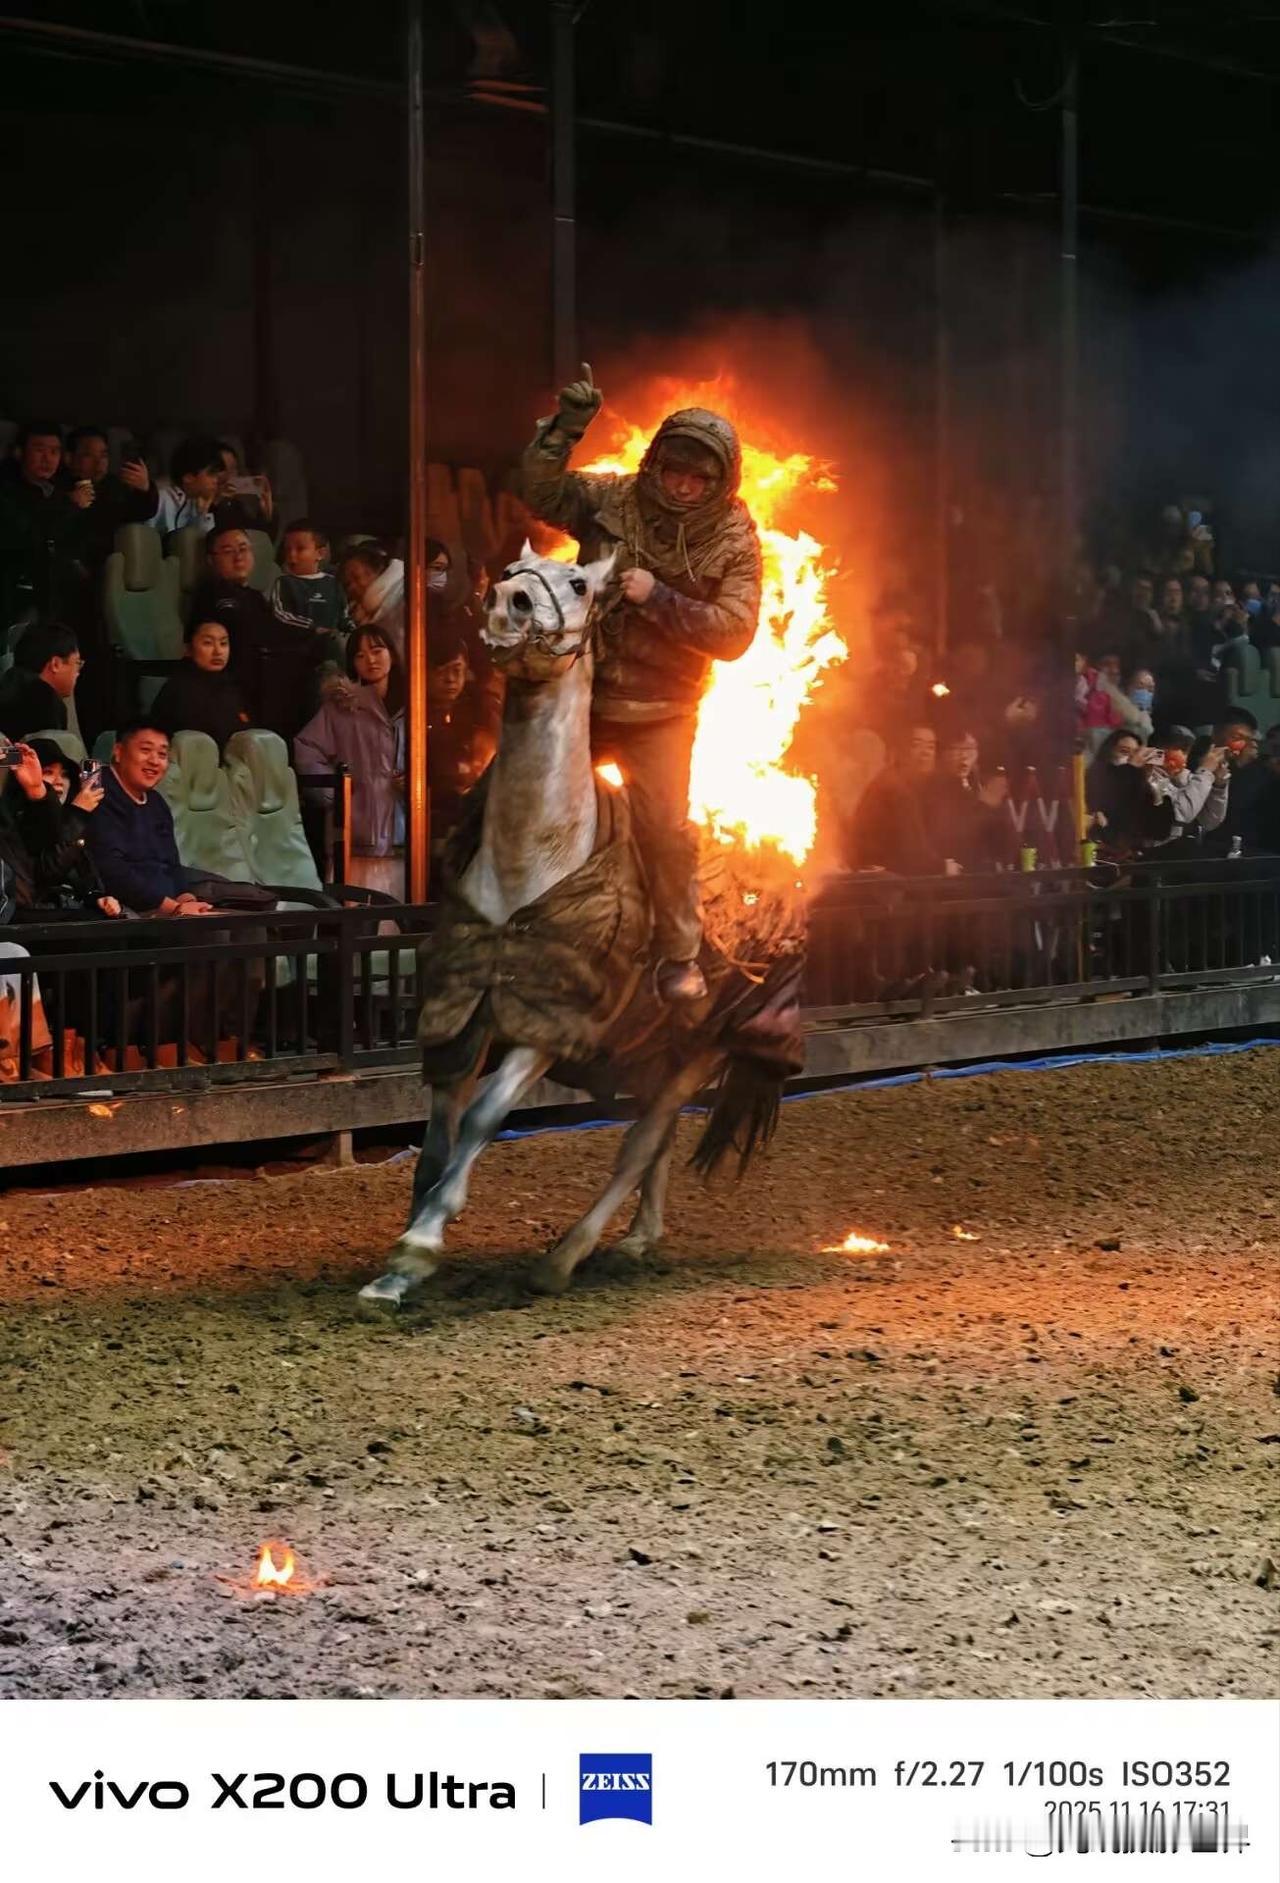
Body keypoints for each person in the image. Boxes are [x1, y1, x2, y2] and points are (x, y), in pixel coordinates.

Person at [522, 364, 762, 1000]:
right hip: (582, 691)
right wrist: (566, 428)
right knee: (507, 793)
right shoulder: (613, 498)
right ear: (654, 463)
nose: (681, 487)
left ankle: (678, 953)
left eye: (696, 477)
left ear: (720, 480)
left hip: (662, 710)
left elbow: (735, 633)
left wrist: (660, 600)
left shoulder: (734, 538)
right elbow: (540, 493)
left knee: (665, 830)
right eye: (672, 470)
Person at [293, 625, 405, 895]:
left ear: (392, 654)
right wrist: (340, 793)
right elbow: (306, 747)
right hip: (356, 835)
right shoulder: (341, 706)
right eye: (360, 655)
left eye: (377, 651)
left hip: (406, 833)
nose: (371, 660)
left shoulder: (414, 704)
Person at [190, 525, 328, 740]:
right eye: (228, 551)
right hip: (242, 685)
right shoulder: (212, 595)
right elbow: (249, 631)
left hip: (269, 679)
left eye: (244, 549)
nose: (238, 557)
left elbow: (273, 628)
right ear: (211, 560)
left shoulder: (254, 596)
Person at [3, 739, 121, 916]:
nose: (59, 781)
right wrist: (78, 814)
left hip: (70, 911)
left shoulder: (72, 816)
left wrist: (98, 898)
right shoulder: (14, 819)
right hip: (34, 918)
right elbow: (47, 872)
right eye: (48, 772)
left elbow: (84, 878)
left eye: (65, 774)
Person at [0, 421, 90, 632]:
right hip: (16, 593)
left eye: (54, 451)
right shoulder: (7, 493)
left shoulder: (60, 490)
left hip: (57, 595)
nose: (47, 459)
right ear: (19, 452)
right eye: (39, 450)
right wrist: (68, 506)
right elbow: (27, 534)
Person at [848, 723, 954, 875]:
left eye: (931, 747)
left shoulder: (899, 783)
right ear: (900, 751)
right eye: (916, 745)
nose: (925, 753)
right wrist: (943, 867)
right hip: (882, 884)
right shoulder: (896, 788)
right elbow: (913, 853)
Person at [151, 617, 253, 750]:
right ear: (188, 649)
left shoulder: (233, 686)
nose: (218, 651)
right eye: (208, 643)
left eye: (223, 643)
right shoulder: (178, 690)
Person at [270, 519, 351, 647]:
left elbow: (344, 616)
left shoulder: (333, 583)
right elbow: (281, 615)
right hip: (298, 649)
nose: (292, 555)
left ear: (320, 553)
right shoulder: (284, 583)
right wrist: (314, 628)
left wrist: (352, 631)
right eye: (287, 549)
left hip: (333, 646)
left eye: (300, 549)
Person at [1148, 725, 1229, 848]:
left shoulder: (1190, 779)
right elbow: (1182, 814)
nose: (1180, 754)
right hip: (1150, 853)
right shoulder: (1146, 778)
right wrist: (1205, 771)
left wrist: (1219, 785)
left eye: (1185, 750)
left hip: (1179, 852)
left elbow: (1210, 821)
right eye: (1173, 747)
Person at [0, 621, 82, 738]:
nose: (77, 673)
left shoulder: (7, 686)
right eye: (77, 663)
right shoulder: (45, 702)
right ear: (56, 664)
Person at [338, 541, 405, 658]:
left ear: (379, 570)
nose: (352, 587)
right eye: (348, 584)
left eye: (356, 577)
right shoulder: (359, 616)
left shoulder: (404, 595)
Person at [150, 435, 224, 537]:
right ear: (188, 477)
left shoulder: (198, 502)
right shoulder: (162, 498)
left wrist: (204, 513)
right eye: (211, 474)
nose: (216, 481)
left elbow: (201, 544)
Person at [213, 440, 273, 533]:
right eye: (222, 469)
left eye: (233, 468)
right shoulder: (193, 506)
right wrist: (216, 503)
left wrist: (265, 514)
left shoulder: (236, 506)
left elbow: (256, 540)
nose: (229, 475)